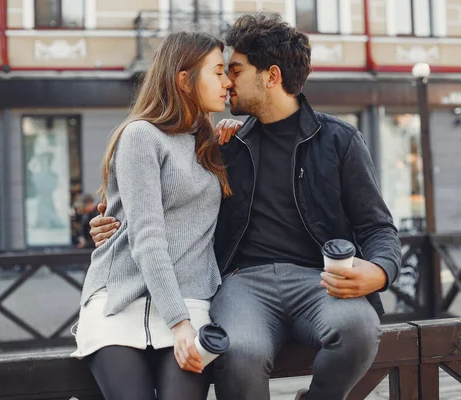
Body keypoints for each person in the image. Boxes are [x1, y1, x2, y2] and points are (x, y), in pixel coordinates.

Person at [90, 13, 401, 400]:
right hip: (241, 283)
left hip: (318, 281)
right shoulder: (221, 146)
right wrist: (110, 222)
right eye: (221, 71)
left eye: (234, 70)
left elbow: (378, 227)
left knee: (359, 327)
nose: (226, 82)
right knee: (238, 349)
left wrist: (381, 271)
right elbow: (161, 202)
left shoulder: (339, 140)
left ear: (270, 76)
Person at [71, 31, 234, 400]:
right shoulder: (141, 136)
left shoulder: (213, 144)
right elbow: (147, 236)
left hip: (191, 302)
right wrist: (178, 323)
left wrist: (240, 139)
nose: (227, 83)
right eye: (219, 72)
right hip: (121, 302)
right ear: (183, 79)